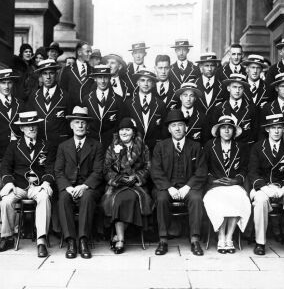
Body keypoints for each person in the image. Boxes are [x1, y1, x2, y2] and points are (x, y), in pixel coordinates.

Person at [0, 111, 54, 257]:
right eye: (27, 126)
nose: (32, 128)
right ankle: (7, 236)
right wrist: (9, 183)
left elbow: (50, 167)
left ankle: (41, 240)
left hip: (38, 186)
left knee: (44, 198)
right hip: (19, 186)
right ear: (22, 128)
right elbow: (5, 167)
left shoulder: (46, 144)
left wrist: (46, 182)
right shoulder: (14, 146)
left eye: (34, 125)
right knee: (6, 201)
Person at [151, 109, 207, 256]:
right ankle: (163, 240)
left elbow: (201, 171)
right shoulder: (161, 146)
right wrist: (169, 188)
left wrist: (187, 187)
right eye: (174, 125)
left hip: (189, 186)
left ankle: (195, 239)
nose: (177, 128)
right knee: (161, 198)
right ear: (169, 129)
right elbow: (156, 171)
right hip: (167, 186)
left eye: (180, 125)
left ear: (186, 127)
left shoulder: (195, 146)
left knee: (196, 199)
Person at [248, 114, 284, 259]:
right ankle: (260, 242)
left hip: (283, 188)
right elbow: (252, 173)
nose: (277, 131)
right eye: (273, 128)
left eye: (279, 128)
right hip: (262, 187)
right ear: (267, 129)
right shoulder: (257, 147)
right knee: (260, 200)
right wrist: (265, 188)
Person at [55, 106, 104, 259]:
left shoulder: (96, 145)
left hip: (88, 186)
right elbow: (58, 171)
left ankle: (83, 240)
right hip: (69, 186)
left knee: (88, 197)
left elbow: (98, 171)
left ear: (87, 126)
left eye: (83, 123)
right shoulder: (63, 146)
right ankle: (71, 241)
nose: (80, 126)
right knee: (63, 198)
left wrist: (84, 186)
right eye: (77, 122)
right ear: (71, 125)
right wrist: (68, 188)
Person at [102, 117, 152, 254]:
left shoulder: (143, 147)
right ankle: (121, 239)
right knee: (119, 200)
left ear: (133, 132)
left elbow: (148, 167)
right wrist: (119, 179)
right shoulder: (112, 148)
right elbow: (106, 170)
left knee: (132, 198)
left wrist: (136, 177)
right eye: (122, 130)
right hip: (118, 185)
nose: (124, 132)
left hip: (137, 185)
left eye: (128, 129)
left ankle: (119, 237)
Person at [203, 115, 251, 254]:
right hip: (215, 185)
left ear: (234, 131)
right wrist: (213, 180)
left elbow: (244, 168)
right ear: (218, 131)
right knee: (219, 199)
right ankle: (220, 236)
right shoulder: (209, 146)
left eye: (229, 128)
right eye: (223, 128)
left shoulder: (241, 147)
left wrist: (236, 180)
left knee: (239, 197)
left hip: (234, 184)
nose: (226, 131)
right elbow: (203, 167)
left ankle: (229, 237)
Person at [0, 69, 24, 239]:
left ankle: (14, 226)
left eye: (9, 83)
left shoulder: (20, 104)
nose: (7, 86)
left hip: (17, 155)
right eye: (3, 83)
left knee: (13, 190)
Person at [26, 59, 72, 153]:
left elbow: (71, 124)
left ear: (56, 75)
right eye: (45, 73)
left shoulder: (66, 96)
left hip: (60, 147)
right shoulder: (34, 96)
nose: (48, 77)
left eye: (51, 73)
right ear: (40, 77)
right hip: (39, 146)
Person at [82, 65, 125, 151]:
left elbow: (120, 123)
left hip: (111, 144)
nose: (102, 81)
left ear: (109, 78)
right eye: (99, 77)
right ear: (95, 79)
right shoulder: (87, 99)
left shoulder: (118, 99)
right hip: (91, 143)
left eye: (105, 77)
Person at [124, 69, 167, 154]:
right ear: (137, 82)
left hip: (154, 149)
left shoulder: (160, 104)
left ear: (153, 84)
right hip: (133, 148)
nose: (146, 84)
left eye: (149, 81)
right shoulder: (128, 103)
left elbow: (164, 128)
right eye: (142, 80)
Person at [211, 74, 258, 146]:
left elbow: (256, 132)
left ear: (244, 89)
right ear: (228, 88)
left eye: (240, 87)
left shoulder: (252, 108)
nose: (237, 90)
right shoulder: (219, 108)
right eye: (234, 87)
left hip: (247, 148)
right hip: (226, 148)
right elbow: (215, 132)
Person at [59, 41, 95, 107]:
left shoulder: (93, 70)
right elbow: (62, 91)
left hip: (89, 111)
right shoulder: (68, 70)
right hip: (71, 111)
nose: (90, 54)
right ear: (79, 52)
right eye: (87, 51)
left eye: (90, 52)